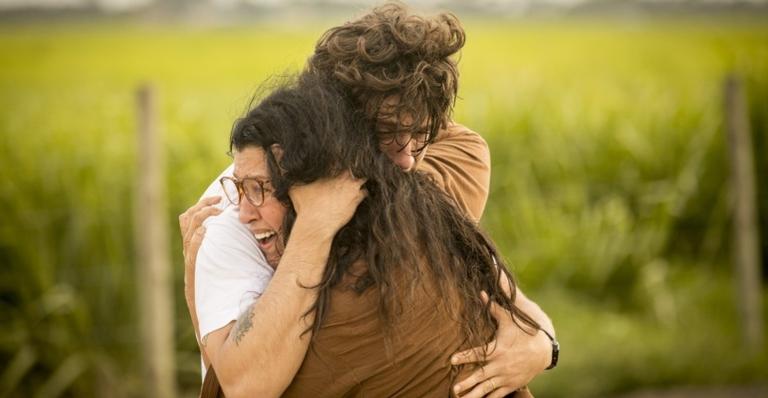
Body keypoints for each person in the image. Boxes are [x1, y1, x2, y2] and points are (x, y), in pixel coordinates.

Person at [179, 2, 557, 397]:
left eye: (421, 134)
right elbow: (245, 385)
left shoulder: (447, 166)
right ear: (331, 123)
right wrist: (312, 228)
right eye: (389, 133)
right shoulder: (232, 218)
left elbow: (462, 252)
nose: (408, 158)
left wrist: (540, 337)